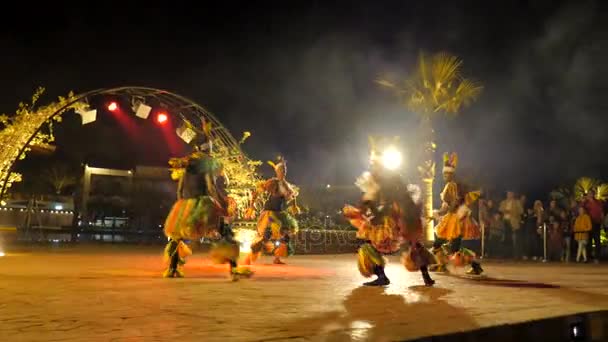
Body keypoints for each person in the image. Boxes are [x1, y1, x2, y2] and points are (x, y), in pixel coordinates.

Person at [343, 136, 435, 286]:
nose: (372, 165)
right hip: (398, 214)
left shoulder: (380, 177)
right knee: (413, 244)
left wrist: (369, 212)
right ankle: (426, 276)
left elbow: (372, 198)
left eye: (373, 162)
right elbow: (379, 198)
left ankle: (382, 276)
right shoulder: (393, 176)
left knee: (369, 244)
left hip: (390, 215)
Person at [163, 136, 252, 280]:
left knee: (176, 237)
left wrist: (182, 205)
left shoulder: (187, 165)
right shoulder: (206, 163)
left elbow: (179, 189)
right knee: (225, 232)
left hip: (185, 204)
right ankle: (234, 269)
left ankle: (172, 269)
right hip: (204, 204)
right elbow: (210, 186)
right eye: (210, 148)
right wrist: (222, 202)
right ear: (207, 149)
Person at [432, 152, 483, 275]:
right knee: (439, 244)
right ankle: (442, 264)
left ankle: (475, 265)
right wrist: (437, 213)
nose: (444, 176)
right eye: (444, 174)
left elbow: (455, 202)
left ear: (451, 174)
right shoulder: (451, 185)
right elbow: (447, 204)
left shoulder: (453, 185)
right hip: (451, 219)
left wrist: (446, 211)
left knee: (453, 248)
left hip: (455, 220)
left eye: (446, 174)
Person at [244, 156, 300, 265]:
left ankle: (277, 258)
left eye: (284, 170)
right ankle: (250, 257)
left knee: (286, 235)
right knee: (266, 236)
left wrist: (294, 206)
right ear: (277, 171)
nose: (283, 172)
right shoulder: (272, 182)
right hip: (270, 213)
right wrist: (251, 206)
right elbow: (256, 192)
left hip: (280, 214)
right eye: (281, 170)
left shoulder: (287, 185)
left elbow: (292, 197)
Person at [499, 192, 524, 260]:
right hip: (505, 222)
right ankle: (506, 254)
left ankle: (516, 255)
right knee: (506, 239)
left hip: (513, 222)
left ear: (513, 194)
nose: (509, 195)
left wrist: (512, 212)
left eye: (510, 194)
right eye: (508, 194)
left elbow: (521, 211)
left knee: (515, 239)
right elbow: (500, 209)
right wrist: (505, 210)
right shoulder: (504, 202)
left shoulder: (517, 202)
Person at [582, 191, 604, 263]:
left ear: (593, 194)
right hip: (588, 223)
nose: (589, 195)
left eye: (591, 194)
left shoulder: (598, 202)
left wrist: (602, 221)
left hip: (596, 223)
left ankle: (597, 257)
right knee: (588, 241)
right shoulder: (585, 203)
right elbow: (582, 211)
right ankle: (588, 257)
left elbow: (601, 212)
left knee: (597, 240)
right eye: (588, 194)